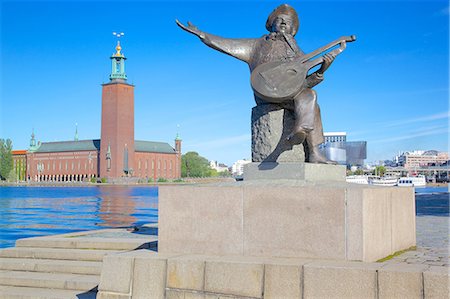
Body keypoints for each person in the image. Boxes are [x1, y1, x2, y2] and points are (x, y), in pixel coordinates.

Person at [176, 4, 337, 164]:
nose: (282, 23)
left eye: (287, 22)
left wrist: (322, 70)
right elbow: (226, 44)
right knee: (311, 103)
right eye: (279, 20)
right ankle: (307, 140)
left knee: (310, 97)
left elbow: (304, 85)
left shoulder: (299, 53)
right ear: (271, 23)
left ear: (292, 28)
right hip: (265, 94)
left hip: (289, 96)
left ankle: (309, 143)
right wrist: (202, 34)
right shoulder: (256, 45)